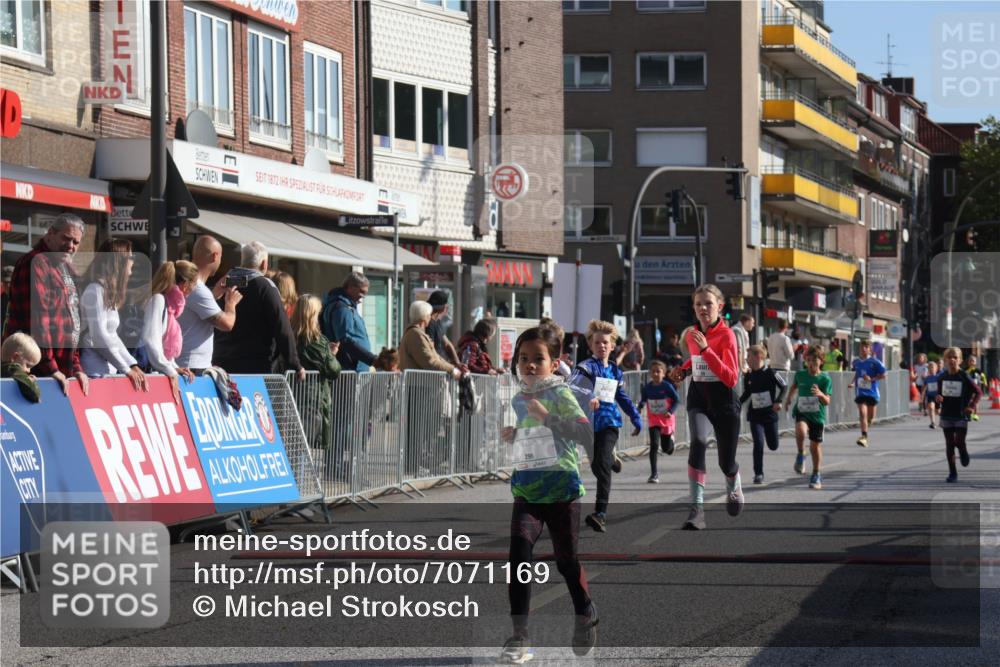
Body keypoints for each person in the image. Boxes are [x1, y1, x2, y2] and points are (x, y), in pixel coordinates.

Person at [499, 325, 597, 663]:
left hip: (562, 491)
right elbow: (532, 434)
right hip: (527, 489)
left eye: (537, 359)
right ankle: (519, 637)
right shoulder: (518, 397)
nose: (529, 365)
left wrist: (549, 417)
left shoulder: (560, 395)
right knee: (518, 560)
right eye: (523, 359)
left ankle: (584, 609)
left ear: (554, 364)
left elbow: (586, 434)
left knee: (566, 562)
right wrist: (516, 434)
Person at [667, 284, 742, 530]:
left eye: (708, 303)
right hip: (699, 398)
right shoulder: (691, 335)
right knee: (698, 441)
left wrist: (707, 350)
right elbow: (697, 360)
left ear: (719, 306)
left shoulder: (727, 335)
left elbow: (731, 377)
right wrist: (683, 370)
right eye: (698, 304)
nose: (703, 308)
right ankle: (696, 508)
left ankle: (733, 483)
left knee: (726, 463)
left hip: (724, 402)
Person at [3, 213, 89, 396]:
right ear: (50, 234)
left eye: (76, 242)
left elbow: (73, 320)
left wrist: (75, 366)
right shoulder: (35, 262)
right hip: (35, 372)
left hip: (58, 374)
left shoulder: (64, 267)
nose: (71, 246)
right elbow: (37, 321)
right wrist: (50, 368)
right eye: (66, 238)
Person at [570, 319, 642, 533]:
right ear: (591, 345)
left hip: (609, 423)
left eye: (605, 343)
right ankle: (610, 458)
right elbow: (570, 387)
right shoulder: (585, 368)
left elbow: (622, 396)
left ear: (612, 346)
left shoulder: (615, 371)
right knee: (596, 466)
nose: (602, 346)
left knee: (601, 467)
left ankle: (600, 513)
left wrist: (635, 416)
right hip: (588, 424)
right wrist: (589, 394)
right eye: (597, 343)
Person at [212, 241, 305, 379]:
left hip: (221, 362)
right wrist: (295, 364)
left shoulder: (224, 284)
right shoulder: (265, 287)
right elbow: (282, 327)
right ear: (264, 264)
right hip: (254, 366)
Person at [399, 301, 464, 476]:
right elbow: (430, 361)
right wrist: (452, 370)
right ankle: (413, 466)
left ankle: (416, 464)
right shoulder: (416, 335)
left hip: (422, 386)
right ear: (423, 317)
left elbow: (435, 358)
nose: (430, 318)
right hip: (420, 386)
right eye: (428, 315)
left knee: (421, 428)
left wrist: (452, 366)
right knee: (418, 429)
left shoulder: (418, 334)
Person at [79, 238, 148, 391]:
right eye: (131, 257)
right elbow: (99, 336)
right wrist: (126, 369)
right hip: (93, 373)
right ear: (119, 261)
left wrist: (132, 364)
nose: (133, 261)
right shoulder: (95, 290)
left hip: (106, 372)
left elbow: (112, 336)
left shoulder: (106, 291)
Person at [176, 235, 241, 375]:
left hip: (186, 363)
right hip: (191, 366)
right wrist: (231, 303)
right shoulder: (198, 289)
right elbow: (227, 324)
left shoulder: (192, 286)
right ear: (215, 256)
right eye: (221, 257)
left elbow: (197, 310)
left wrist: (214, 293)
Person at [290, 294, 342, 450]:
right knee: (304, 445)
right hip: (311, 397)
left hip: (293, 393)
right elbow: (334, 370)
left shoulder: (290, 334)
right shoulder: (314, 340)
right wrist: (330, 354)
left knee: (295, 443)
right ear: (312, 314)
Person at [141, 260, 199, 400]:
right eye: (195, 284)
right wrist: (170, 370)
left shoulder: (169, 307)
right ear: (185, 285)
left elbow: (162, 348)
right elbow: (151, 341)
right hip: (147, 376)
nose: (195, 288)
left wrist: (175, 367)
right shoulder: (159, 300)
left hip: (155, 374)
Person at [784, 344, 832, 489]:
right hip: (802, 412)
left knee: (814, 446)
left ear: (821, 361)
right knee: (800, 430)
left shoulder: (825, 379)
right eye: (809, 360)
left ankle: (816, 474)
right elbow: (794, 386)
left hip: (817, 416)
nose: (811, 363)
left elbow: (827, 401)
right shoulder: (800, 375)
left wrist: (820, 394)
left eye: (815, 360)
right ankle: (800, 454)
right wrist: (789, 399)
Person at [739, 344, 786, 485]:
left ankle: (772, 439)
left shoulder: (771, 372)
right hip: (755, 415)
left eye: (749, 356)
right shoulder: (748, 375)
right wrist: (737, 404)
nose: (746, 359)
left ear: (758, 356)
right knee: (758, 443)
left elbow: (784, 386)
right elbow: (747, 393)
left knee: (773, 445)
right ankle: (758, 473)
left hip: (769, 415)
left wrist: (778, 400)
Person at [935, 347, 982, 483]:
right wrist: (938, 402)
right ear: (945, 360)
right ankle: (952, 473)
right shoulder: (942, 377)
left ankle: (963, 450)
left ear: (960, 360)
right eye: (949, 358)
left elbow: (978, 392)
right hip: (947, 414)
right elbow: (939, 395)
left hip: (961, 414)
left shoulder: (964, 376)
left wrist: (971, 406)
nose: (952, 360)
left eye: (955, 357)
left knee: (959, 441)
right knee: (949, 444)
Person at [321, 272, 376, 372]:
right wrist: (372, 359)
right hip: (349, 369)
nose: (363, 297)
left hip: (353, 368)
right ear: (351, 287)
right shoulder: (342, 308)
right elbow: (345, 340)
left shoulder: (346, 306)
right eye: (362, 292)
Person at [637, 360, 681, 483]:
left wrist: (670, 411)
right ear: (650, 373)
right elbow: (643, 400)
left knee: (667, 449)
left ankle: (671, 440)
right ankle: (654, 474)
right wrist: (640, 406)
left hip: (666, 419)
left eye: (658, 371)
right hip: (654, 420)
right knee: (654, 445)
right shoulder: (647, 388)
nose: (656, 374)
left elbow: (677, 400)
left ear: (663, 373)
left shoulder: (667, 386)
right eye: (653, 372)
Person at [848, 340, 886, 447]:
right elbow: (857, 373)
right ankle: (864, 437)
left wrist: (872, 379)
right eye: (861, 347)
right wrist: (852, 383)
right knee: (862, 413)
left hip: (872, 393)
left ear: (869, 349)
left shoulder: (875, 362)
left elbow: (883, 375)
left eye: (866, 347)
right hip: (861, 392)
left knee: (870, 417)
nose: (863, 349)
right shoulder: (857, 362)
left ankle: (868, 423)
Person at [1, 332, 42, 402]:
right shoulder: (12, 368)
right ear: (15, 357)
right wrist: (30, 382)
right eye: (28, 365)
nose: (28, 371)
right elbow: (34, 394)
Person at [426, 290, 462, 367]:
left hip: (440, 365)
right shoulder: (429, 324)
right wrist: (455, 364)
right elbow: (432, 349)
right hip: (435, 367)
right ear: (444, 308)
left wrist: (458, 364)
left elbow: (447, 344)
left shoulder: (437, 322)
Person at [963, 355, 987, 421]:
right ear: (968, 362)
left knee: (975, 401)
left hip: (976, 387)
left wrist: (985, 382)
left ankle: (975, 414)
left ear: (975, 362)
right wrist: (970, 369)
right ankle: (969, 414)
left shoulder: (977, 370)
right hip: (968, 387)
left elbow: (983, 376)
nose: (971, 362)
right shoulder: (965, 369)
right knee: (968, 400)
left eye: (973, 361)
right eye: (970, 361)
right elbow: (964, 374)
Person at [922, 360, 940, 429]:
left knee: (937, 411)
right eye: (929, 368)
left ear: (936, 368)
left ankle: (939, 420)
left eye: (932, 367)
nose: (931, 369)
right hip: (930, 395)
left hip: (937, 396)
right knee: (931, 407)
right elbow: (923, 388)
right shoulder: (927, 378)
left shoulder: (939, 377)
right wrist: (922, 397)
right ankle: (933, 422)